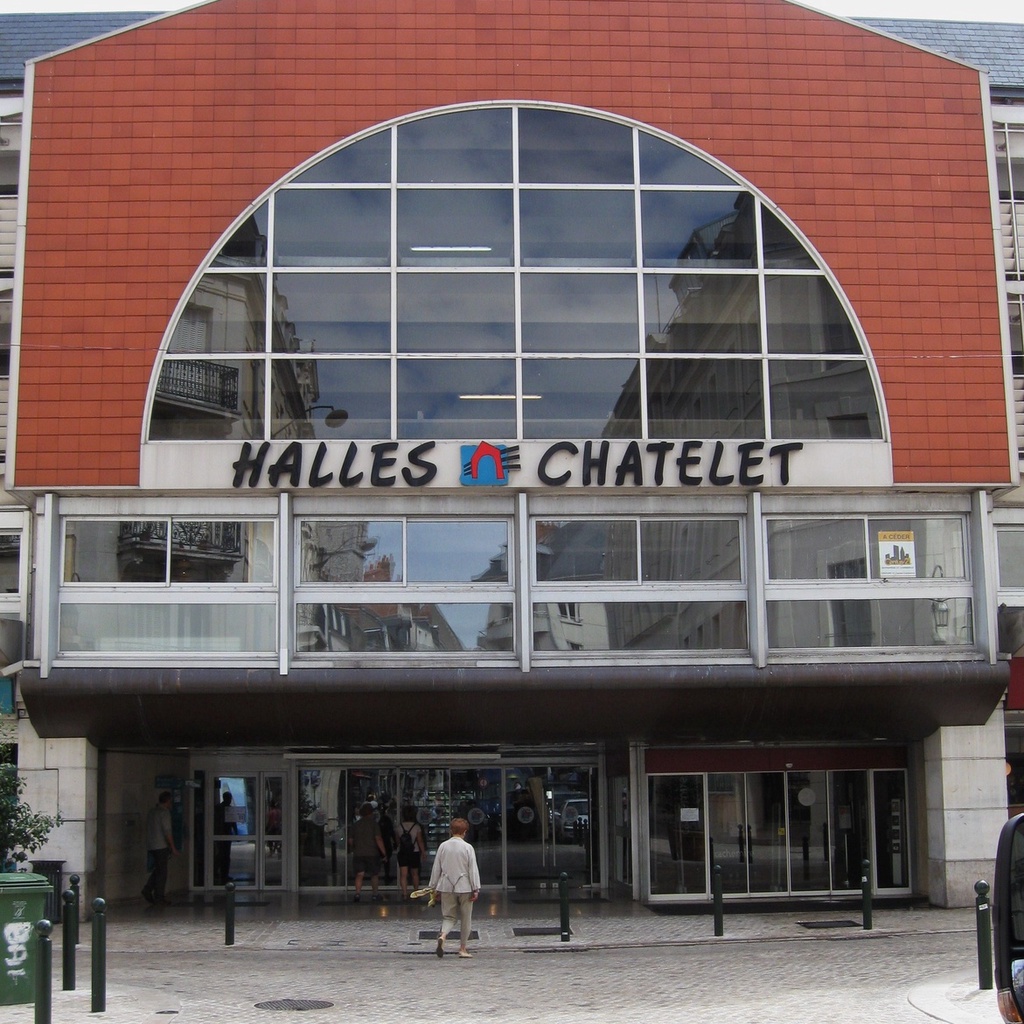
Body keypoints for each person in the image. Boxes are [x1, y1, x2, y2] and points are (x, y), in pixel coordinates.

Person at [428, 817, 481, 959]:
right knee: (466, 918)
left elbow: (436, 869)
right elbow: (473, 870)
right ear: (465, 832)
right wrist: (476, 888)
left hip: (446, 886)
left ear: (451, 830)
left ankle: (443, 935)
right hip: (465, 887)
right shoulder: (468, 848)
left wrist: (433, 887)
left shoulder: (443, 846)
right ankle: (463, 948)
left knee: (448, 916)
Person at [141, 790, 177, 905]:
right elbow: (167, 832)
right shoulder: (164, 813)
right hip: (161, 846)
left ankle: (148, 889)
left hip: (152, 845)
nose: (171, 804)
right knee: (162, 872)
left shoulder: (152, 811)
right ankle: (159, 897)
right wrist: (173, 847)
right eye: (170, 801)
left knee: (158, 869)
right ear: (167, 801)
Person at [349, 801, 386, 901]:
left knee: (359, 874)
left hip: (358, 853)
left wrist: (354, 848)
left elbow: (350, 840)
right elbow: (378, 839)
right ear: (371, 813)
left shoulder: (356, 825)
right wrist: (384, 853)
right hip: (372, 853)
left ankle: (357, 894)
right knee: (374, 875)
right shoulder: (374, 825)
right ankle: (375, 894)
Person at [395, 805, 427, 899]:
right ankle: (416, 892)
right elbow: (420, 840)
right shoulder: (416, 827)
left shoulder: (399, 827)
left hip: (403, 852)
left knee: (403, 874)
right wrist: (423, 852)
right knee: (415, 873)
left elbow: (397, 841)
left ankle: (404, 893)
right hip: (415, 851)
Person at [213, 790, 238, 885]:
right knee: (222, 855)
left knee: (225, 856)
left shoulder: (221, 808)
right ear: (225, 798)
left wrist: (235, 833)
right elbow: (233, 823)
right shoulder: (220, 808)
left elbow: (233, 822)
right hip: (221, 835)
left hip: (225, 835)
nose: (230, 800)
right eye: (229, 798)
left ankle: (223, 874)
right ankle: (218, 873)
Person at [378, 799, 395, 886]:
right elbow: (391, 831)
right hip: (386, 841)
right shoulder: (386, 820)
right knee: (386, 860)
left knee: (383, 859)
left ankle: (384, 875)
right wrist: (395, 841)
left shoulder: (379, 821)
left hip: (382, 841)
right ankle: (386, 875)